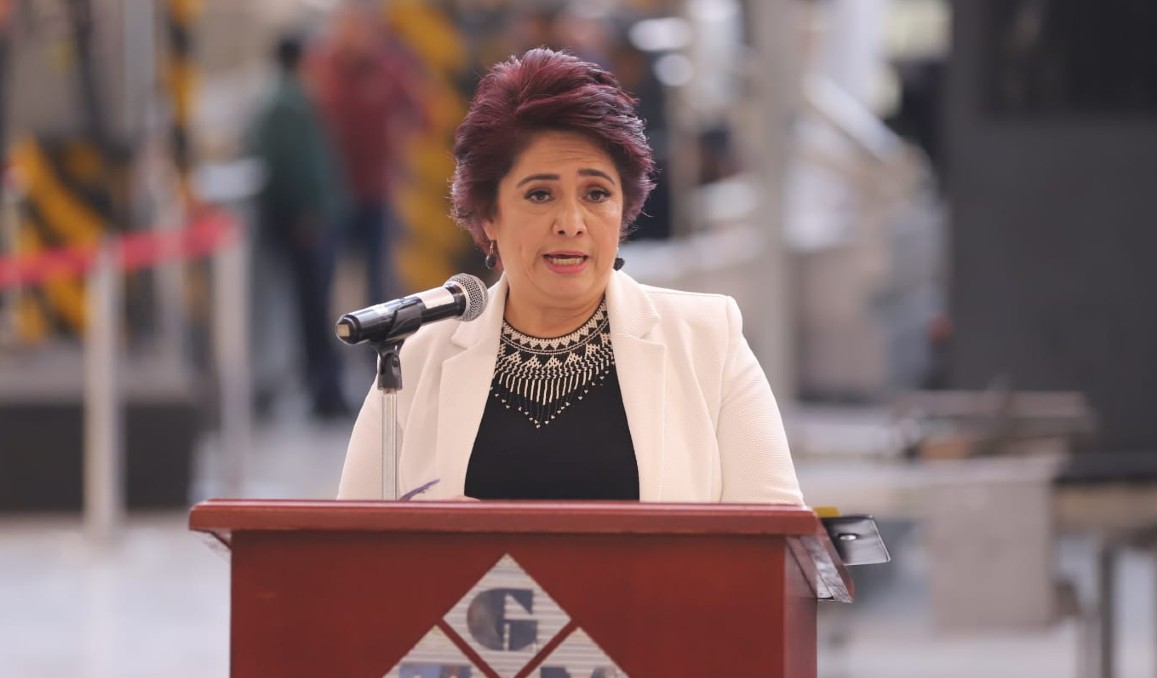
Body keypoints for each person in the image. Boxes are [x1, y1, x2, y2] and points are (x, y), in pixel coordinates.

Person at [338, 48, 802, 503]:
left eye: (596, 194)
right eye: (540, 195)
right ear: (490, 216)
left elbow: (774, 538)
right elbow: (353, 544)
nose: (571, 222)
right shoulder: (418, 358)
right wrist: (440, 542)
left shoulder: (707, 340)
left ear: (624, 210)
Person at [249, 33, 349, 419]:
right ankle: (324, 392)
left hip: (303, 220)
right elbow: (298, 167)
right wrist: (308, 213)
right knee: (315, 310)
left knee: (313, 308)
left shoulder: (283, 98)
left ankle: (323, 389)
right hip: (306, 223)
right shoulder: (288, 104)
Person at [309, 4, 424, 306]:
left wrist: (400, 142)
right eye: (348, 25)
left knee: (379, 278)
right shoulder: (320, 68)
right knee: (326, 274)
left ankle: (382, 335)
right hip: (332, 193)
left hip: (376, 190)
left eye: (361, 26)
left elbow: (419, 113)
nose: (355, 34)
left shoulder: (389, 69)